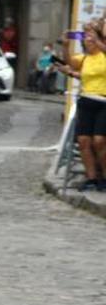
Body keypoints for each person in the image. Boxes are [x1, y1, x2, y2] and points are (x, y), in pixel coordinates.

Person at [59, 21, 106, 191]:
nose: (88, 40)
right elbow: (70, 62)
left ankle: (104, 177)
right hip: (86, 100)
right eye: (86, 38)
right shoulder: (85, 58)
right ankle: (91, 178)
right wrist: (65, 45)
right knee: (84, 141)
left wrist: (97, 39)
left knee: (99, 141)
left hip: (104, 101)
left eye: (91, 37)